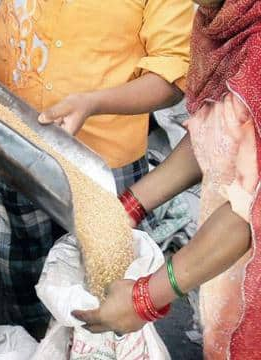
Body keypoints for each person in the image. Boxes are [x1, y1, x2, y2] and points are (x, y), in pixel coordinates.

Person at [0, 0, 194, 337]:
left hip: (106, 173)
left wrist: (94, 102)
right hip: (16, 157)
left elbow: (173, 77)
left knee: (109, 305)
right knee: (28, 291)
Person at [72, 0, 261, 358]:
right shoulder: (224, 19)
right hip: (234, 264)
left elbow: (250, 207)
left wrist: (145, 298)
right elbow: (218, 132)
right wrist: (127, 206)